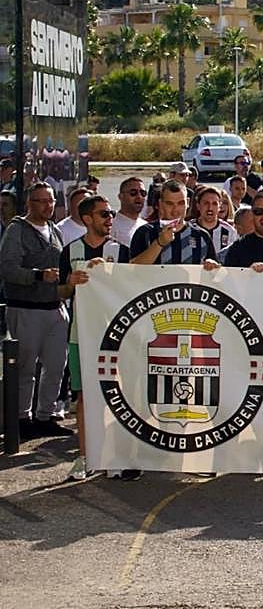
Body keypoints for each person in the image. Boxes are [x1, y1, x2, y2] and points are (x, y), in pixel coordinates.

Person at [58, 195, 123, 479]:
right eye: (104, 214)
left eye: (111, 214)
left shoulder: (120, 250)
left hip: (116, 337)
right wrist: (70, 283)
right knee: (84, 397)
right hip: (80, 334)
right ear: (87, 219)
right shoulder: (70, 250)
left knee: (117, 394)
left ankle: (114, 455)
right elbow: (60, 293)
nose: (110, 219)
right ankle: (85, 456)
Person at [0, 182, 70, 439]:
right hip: (26, 307)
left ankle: (45, 415)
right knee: (25, 368)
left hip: (54, 306)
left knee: (56, 366)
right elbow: (6, 269)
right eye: (41, 201)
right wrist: (38, 275)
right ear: (30, 203)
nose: (47, 206)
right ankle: (21, 417)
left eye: (51, 201)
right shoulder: (17, 230)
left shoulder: (54, 230)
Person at [129, 180, 220, 267]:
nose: (175, 210)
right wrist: (159, 243)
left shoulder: (201, 235)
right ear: (160, 203)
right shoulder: (145, 232)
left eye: (181, 203)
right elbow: (132, 268)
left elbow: (215, 274)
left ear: (187, 203)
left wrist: (211, 265)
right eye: (170, 203)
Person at [192, 185, 238, 255]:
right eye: (206, 203)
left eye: (214, 204)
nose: (210, 208)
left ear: (219, 206)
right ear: (198, 205)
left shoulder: (230, 231)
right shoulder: (189, 228)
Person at [112, 177, 146, 248]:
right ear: (121, 196)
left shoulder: (146, 225)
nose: (139, 196)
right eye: (133, 193)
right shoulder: (111, 226)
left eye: (143, 193)